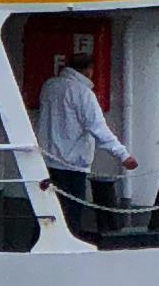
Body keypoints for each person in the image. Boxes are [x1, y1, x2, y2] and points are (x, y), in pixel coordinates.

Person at [34, 47, 136, 224]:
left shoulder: (49, 86)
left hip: (47, 161)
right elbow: (98, 128)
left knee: (48, 211)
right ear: (89, 69)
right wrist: (123, 155)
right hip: (72, 165)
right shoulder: (83, 93)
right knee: (71, 214)